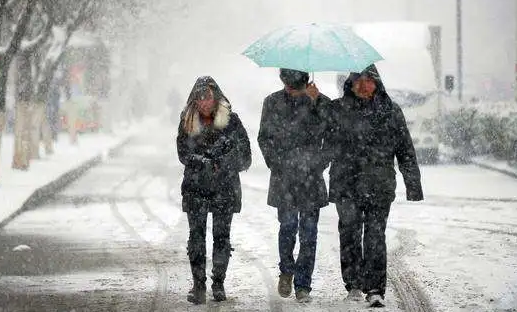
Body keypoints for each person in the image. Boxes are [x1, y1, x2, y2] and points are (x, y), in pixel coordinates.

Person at [322, 64, 423, 308]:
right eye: (358, 79)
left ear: (377, 82)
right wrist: (316, 101)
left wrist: (413, 184)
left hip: (379, 185)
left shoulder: (390, 111)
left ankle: (375, 288)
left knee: (375, 237)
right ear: (350, 83)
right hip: (346, 184)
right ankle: (354, 284)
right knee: (349, 234)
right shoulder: (336, 110)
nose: (363, 84)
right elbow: (323, 143)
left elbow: (405, 150)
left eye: (368, 79)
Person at [257, 68, 331, 303]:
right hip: (284, 177)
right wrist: (277, 164)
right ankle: (287, 269)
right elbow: (264, 138)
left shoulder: (320, 102)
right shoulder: (272, 102)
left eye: (294, 85)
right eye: (287, 84)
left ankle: (303, 284)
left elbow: (332, 132)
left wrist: (316, 101)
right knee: (287, 226)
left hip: (311, 177)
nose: (290, 89)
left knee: (309, 234)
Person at [176, 76, 252, 304]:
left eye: (208, 96)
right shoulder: (187, 122)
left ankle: (218, 283)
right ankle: (198, 285)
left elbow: (245, 156)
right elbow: (183, 153)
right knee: (196, 237)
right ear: (194, 100)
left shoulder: (231, 121)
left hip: (224, 188)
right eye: (200, 97)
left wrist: (223, 164)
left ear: (216, 97)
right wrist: (202, 162)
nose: (205, 102)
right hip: (196, 188)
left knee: (221, 237)